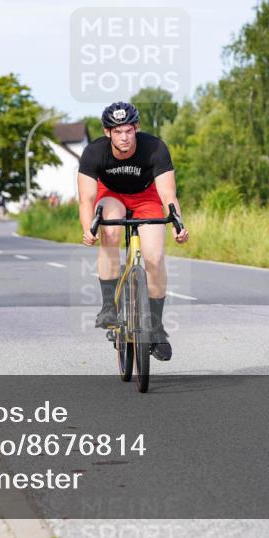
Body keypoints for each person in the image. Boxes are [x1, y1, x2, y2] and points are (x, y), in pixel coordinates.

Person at [77, 101, 189, 362]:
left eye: (128, 130)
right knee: (111, 230)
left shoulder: (155, 148)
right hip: (111, 195)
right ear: (107, 132)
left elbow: (168, 194)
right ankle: (109, 306)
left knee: (154, 257)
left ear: (136, 128)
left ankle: (156, 328)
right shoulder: (94, 152)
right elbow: (86, 198)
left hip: (146, 197)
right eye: (118, 132)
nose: (124, 137)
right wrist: (88, 229)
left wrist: (178, 224)